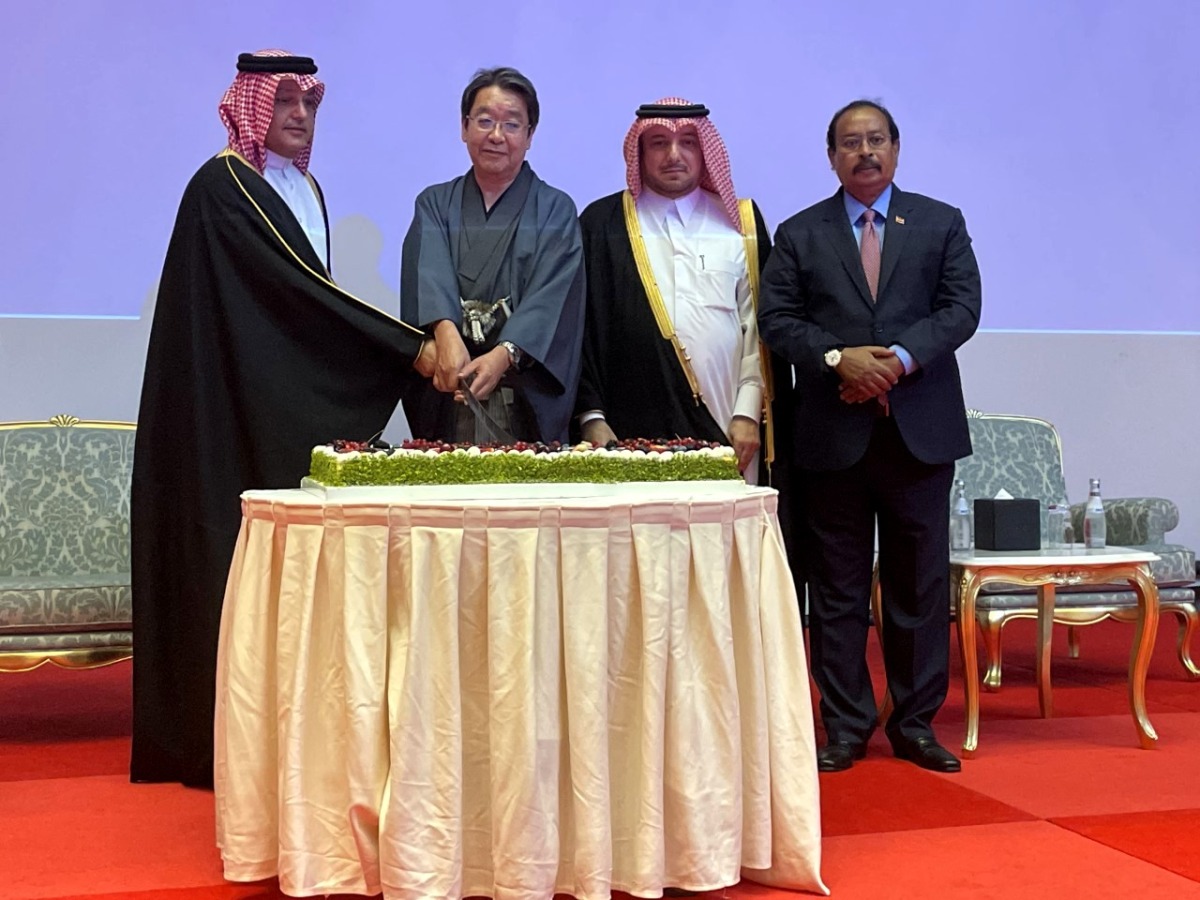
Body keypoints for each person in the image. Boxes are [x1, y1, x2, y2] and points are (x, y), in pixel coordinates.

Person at [131, 50, 434, 788]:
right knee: (229, 567)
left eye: (310, 105)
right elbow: (298, 294)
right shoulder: (224, 184)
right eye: (286, 103)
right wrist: (409, 350)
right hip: (220, 407)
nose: (299, 118)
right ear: (253, 106)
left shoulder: (304, 187)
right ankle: (222, 745)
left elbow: (301, 305)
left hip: (270, 393)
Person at [758, 100, 981, 774]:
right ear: (831, 156)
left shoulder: (941, 223)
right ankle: (846, 727)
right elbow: (779, 320)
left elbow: (961, 308)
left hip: (919, 435)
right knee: (838, 592)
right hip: (833, 438)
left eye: (876, 140)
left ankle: (915, 725)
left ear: (897, 149)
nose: (865, 152)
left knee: (918, 587)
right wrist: (838, 361)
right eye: (850, 143)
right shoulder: (800, 233)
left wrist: (895, 362)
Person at [575, 98, 786, 485]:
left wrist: (747, 412)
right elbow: (580, 332)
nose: (674, 155)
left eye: (688, 142)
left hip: (728, 424)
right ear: (639, 151)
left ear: (705, 149)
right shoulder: (601, 224)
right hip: (625, 426)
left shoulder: (740, 221)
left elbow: (760, 329)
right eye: (658, 142)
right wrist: (592, 417)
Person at [399, 66, 586, 445]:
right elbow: (428, 273)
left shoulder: (555, 209)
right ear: (464, 127)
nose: (496, 136)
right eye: (484, 121)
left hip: (522, 393)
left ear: (530, 135)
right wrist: (446, 332)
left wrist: (505, 354)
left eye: (512, 125)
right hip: (451, 383)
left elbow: (552, 298)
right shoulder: (435, 203)